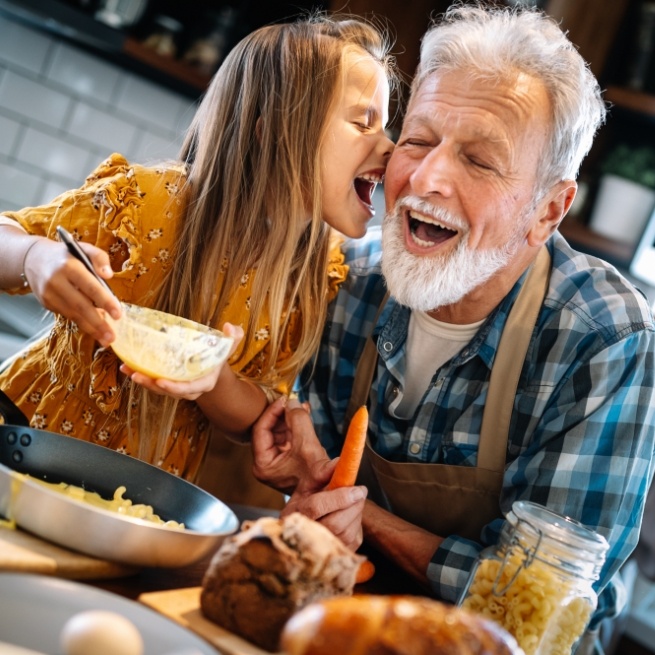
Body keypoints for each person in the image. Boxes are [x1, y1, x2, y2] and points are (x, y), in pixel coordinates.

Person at [251, 2, 655, 644]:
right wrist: (307, 473)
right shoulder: (347, 282)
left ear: (549, 208)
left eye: (479, 160)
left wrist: (371, 521)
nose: (428, 178)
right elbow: (318, 510)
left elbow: (539, 610)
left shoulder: (602, 337)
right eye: (417, 140)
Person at [0, 14, 395, 495]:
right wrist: (33, 258)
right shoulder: (145, 203)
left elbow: (255, 415)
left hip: (136, 498)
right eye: (363, 123)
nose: (391, 147)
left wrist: (215, 379)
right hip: (20, 440)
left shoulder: (314, 272)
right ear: (272, 132)